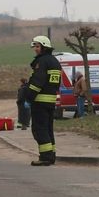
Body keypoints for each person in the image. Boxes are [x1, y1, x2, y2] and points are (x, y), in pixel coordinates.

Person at [26, 36, 62, 166]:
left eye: (37, 46)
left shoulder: (41, 62)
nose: (35, 49)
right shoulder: (55, 61)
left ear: (44, 47)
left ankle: (45, 157)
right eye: (34, 46)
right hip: (50, 101)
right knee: (48, 129)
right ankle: (51, 155)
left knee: (39, 129)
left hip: (40, 102)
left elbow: (37, 82)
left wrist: (28, 97)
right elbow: (56, 83)